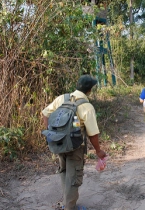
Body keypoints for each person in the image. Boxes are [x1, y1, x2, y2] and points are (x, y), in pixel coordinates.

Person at [41, 75, 107, 210]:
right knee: (73, 178)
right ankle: (69, 208)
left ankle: (67, 203)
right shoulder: (86, 106)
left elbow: (45, 113)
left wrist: (51, 133)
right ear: (89, 90)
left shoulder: (62, 98)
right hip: (75, 147)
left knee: (64, 172)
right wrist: (98, 151)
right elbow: (93, 133)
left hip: (59, 143)